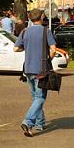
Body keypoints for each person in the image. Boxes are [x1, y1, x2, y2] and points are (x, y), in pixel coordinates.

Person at [14, 9, 56, 137]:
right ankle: (28, 121)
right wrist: (49, 58)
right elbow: (53, 49)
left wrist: (27, 48)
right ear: (42, 17)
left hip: (27, 70)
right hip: (41, 70)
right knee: (40, 98)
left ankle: (40, 123)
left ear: (30, 18)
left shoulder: (24, 31)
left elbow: (16, 48)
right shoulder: (46, 31)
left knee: (35, 98)